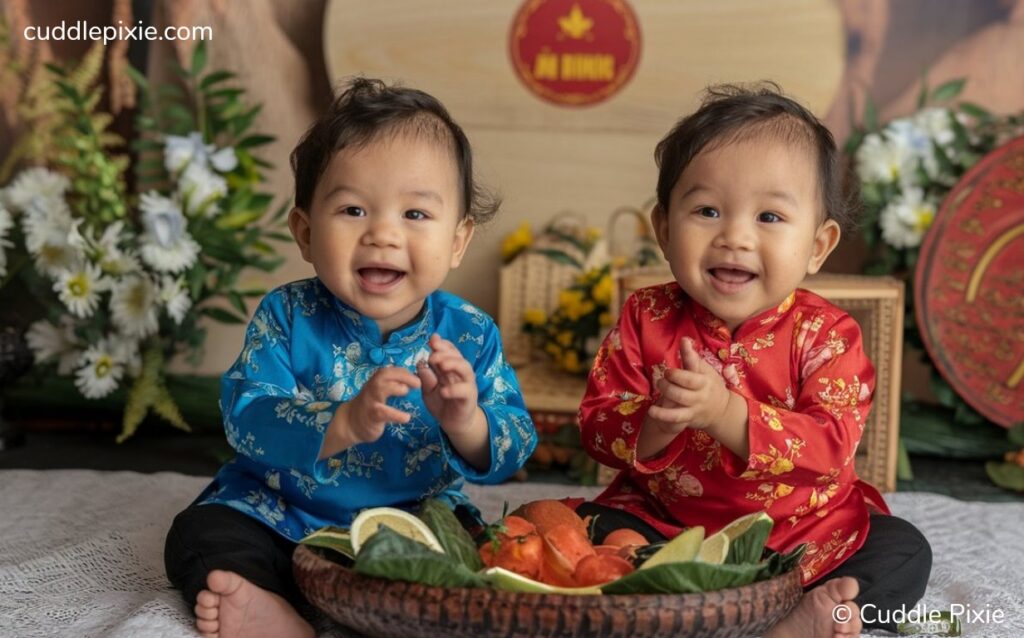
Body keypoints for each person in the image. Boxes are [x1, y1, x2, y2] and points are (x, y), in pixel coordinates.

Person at [164, 77, 538, 638]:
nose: (383, 234)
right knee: (202, 533)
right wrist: (340, 422)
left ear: (458, 241)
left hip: (411, 519)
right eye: (354, 210)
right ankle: (264, 603)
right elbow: (247, 416)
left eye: (415, 215)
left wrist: (467, 420)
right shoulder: (287, 314)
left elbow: (516, 440)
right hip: (281, 512)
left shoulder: (469, 333)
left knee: (475, 552)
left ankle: (389, 606)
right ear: (306, 232)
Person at [576, 83, 931, 638]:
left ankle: (799, 620)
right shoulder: (648, 316)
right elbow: (597, 424)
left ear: (817, 246)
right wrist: (652, 423)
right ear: (665, 230)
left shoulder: (827, 334)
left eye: (769, 217)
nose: (735, 237)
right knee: (583, 528)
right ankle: (687, 605)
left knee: (903, 552)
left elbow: (831, 443)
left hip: (801, 535)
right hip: (670, 528)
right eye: (708, 210)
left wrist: (725, 414)